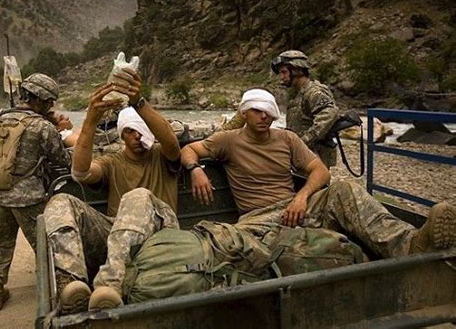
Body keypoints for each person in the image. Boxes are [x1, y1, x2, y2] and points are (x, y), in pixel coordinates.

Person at [181, 88, 455, 257]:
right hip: (258, 219)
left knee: (344, 189)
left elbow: (320, 171)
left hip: (297, 208)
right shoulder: (228, 140)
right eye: (256, 111)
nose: (263, 117)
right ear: (245, 113)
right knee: (224, 243)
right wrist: (195, 170)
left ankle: (411, 243)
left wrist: (302, 196)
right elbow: (188, 150)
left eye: (267, 112)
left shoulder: (287, 139)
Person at [43, 67, 181, 314]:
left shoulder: (162, 156)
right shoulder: (112, 161)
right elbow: (81, 172)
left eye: (142, 131)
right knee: (61, 200)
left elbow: (170, 141)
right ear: (122, 134)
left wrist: (138, 101)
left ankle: (110, 286)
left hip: (161, 234)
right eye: (130, 131)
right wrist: (91, 119)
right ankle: (72, 284)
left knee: (138, 195)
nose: (137, 137)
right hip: (115, 235)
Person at [0, 73, 72, 312]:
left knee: (0, 242)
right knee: (44, 245)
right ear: (41, 100)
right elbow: (64, 160)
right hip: (28, 198)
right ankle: (53, 295)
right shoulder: (42, 126)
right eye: (50, 102)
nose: (52, 106)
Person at [223, 50, 339, 168]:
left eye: (284, 72)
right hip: (303, 154)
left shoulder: (314, 92)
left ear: (297, 70)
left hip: (314, 155)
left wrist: (303, 141)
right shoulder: (297, 93)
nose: (281, 77)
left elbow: (329, 114)